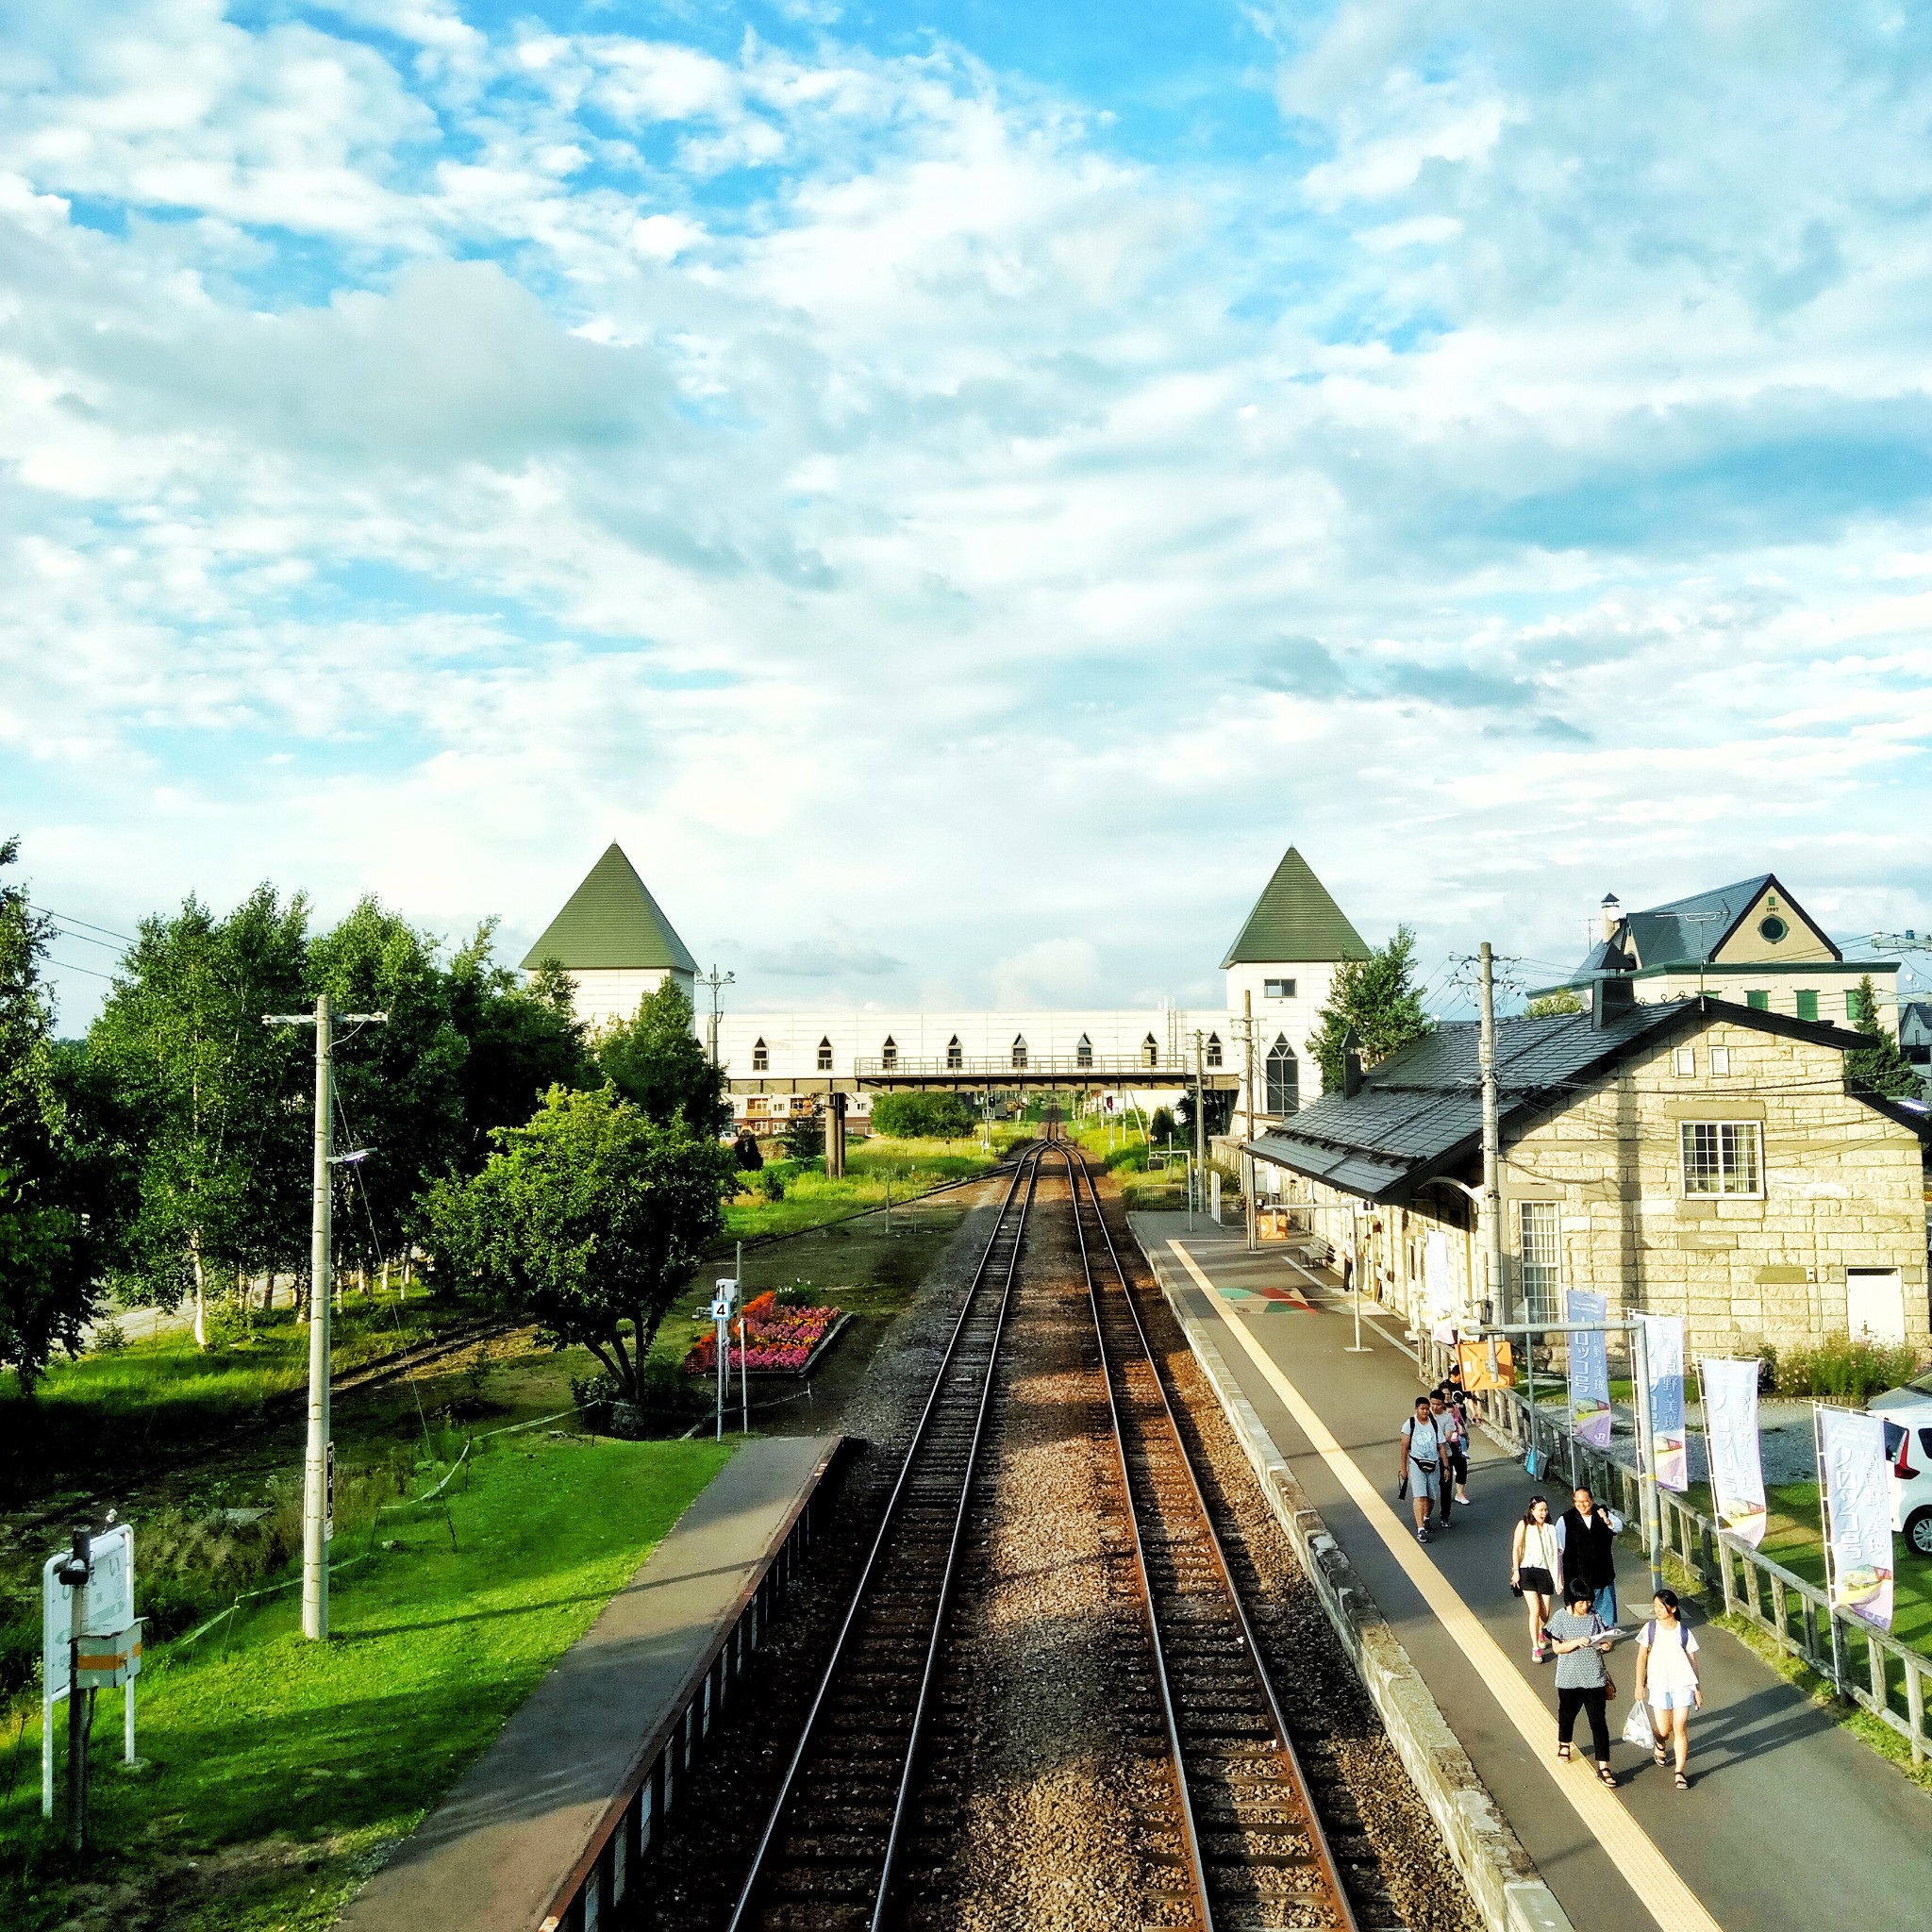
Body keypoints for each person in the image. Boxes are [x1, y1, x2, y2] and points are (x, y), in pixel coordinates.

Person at [1545, 1576, 1618, 1786]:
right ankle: (1564, 1743)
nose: (1586, 1606)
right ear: (1571, 1601)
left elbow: (1606, 1637)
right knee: (1567, 1715)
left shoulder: (1595, 1616)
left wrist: (1605, 1645)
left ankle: (1604, 1766)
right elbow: (1558, 1648)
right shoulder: (1560, 1618)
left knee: (1599, 1723)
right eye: (1581, 1602)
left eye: (1588, 1602)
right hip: (1569, 1678)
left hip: (1594, 1677)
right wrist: (1576, 1642)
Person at [1635, 1589, 1702, 1789]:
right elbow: (1641, 1658)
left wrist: (1697, 1689)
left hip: (1683, 1686)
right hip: (1659, 1685)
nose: (1657, 1610)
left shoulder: (1684, 1632)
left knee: (1680, 1727)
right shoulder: (1650, 1629)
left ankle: (1680, 1771)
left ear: (1672, 1608)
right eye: (1655, 1606)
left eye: (1661, 1607)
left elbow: (1693, 1663)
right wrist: (1639, 1684)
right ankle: (1660, 1742)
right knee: (1664, 1729)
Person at [1557, 1485, 1624, 1627]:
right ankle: (1582, 1634)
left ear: (1591, 1500)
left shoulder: (1601, 1513)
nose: (1582, 1505)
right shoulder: (1565, 1520)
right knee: (1581, 1609)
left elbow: (1618, 1527)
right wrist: (1559, 1575)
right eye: (1578, 1502)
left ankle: (1605, 1637)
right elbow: (1559, 1549)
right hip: (1578, 1574)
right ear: (1574, 1501)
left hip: (1603, 1572)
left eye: (1585, 1501)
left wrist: (1606, 1520)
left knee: (1605, 1608)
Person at [1510, 1495, 1563, 1660]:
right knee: (1534, 1610)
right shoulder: (1524, 1525)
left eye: (1545, 1510)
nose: (1543, 1513)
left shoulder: (1551, 1529)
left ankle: (1542, 1630)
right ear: (1532, 1510)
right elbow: (1516, 1548)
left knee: (1545, 1612)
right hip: (1527, 1570)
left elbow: (1557, 1553)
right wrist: (1516, 1570)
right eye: (1540, 1510)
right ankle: (1535, 1648)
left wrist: (1559, 1577)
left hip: (1545, 1572)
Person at [1398, 1395, 1444, 1544]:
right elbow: (1404, 1447)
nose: (1425, 1411)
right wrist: (1403, 1468)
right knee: (1420, 1496)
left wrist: (1447, 1466)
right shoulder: (1410, 1424)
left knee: (1431, 1496)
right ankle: (1420, 1529)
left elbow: (1441, 1445)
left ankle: (1426, 1519)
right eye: (1422, 1409)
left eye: (1426, 1408)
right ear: (1416, 1409)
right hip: (1416, 1463)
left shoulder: (1434, 1424)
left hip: (1433, 1463)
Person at [1432, 1384, 1473, 1512]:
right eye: (1444, 1395)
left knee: (1461, 1466)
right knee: (1444, 1476)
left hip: (1455, 1445)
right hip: (1439, 1448)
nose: (1447, 1397)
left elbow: (1461, 1422)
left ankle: (1460, 1493)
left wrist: (1464, 1438)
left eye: (1448, 1394)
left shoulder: (1454, 1408)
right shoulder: (1433, 1414)